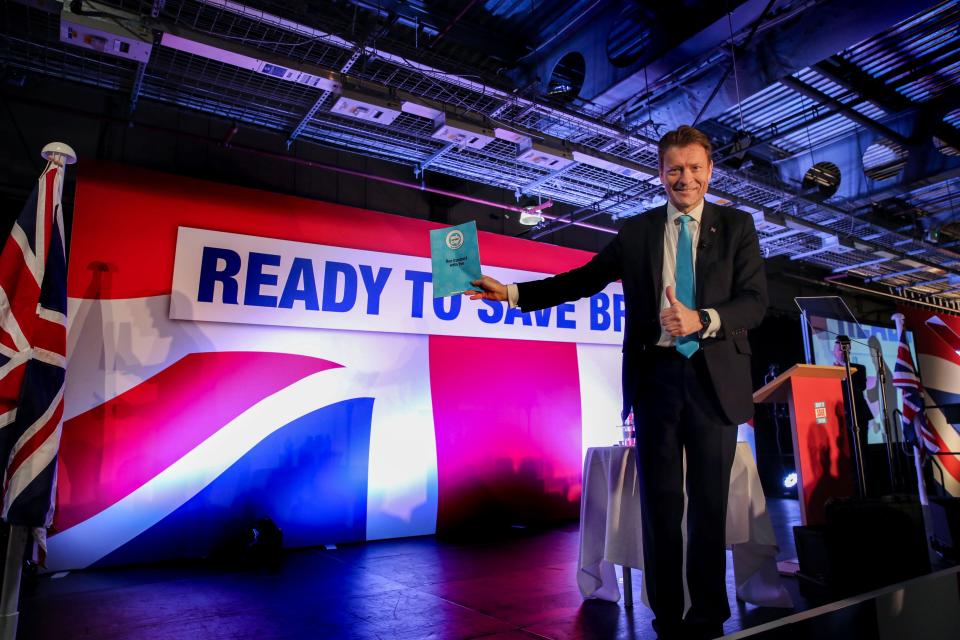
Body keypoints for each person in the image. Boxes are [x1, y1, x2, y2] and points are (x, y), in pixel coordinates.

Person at [467, 125, 767, 639]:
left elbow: (755, 301)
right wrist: (512, 293)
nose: (685, 178)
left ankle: (710, 617)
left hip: (714, 380)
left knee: (710, 507)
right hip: (656, 381)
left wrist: (705, 318)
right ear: (660, 173)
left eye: (695, 168)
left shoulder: (737, 226)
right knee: (660, 506)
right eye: (674, 168)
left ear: (710, 171)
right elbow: (582, 279)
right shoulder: (638, 231)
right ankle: (669, 617)